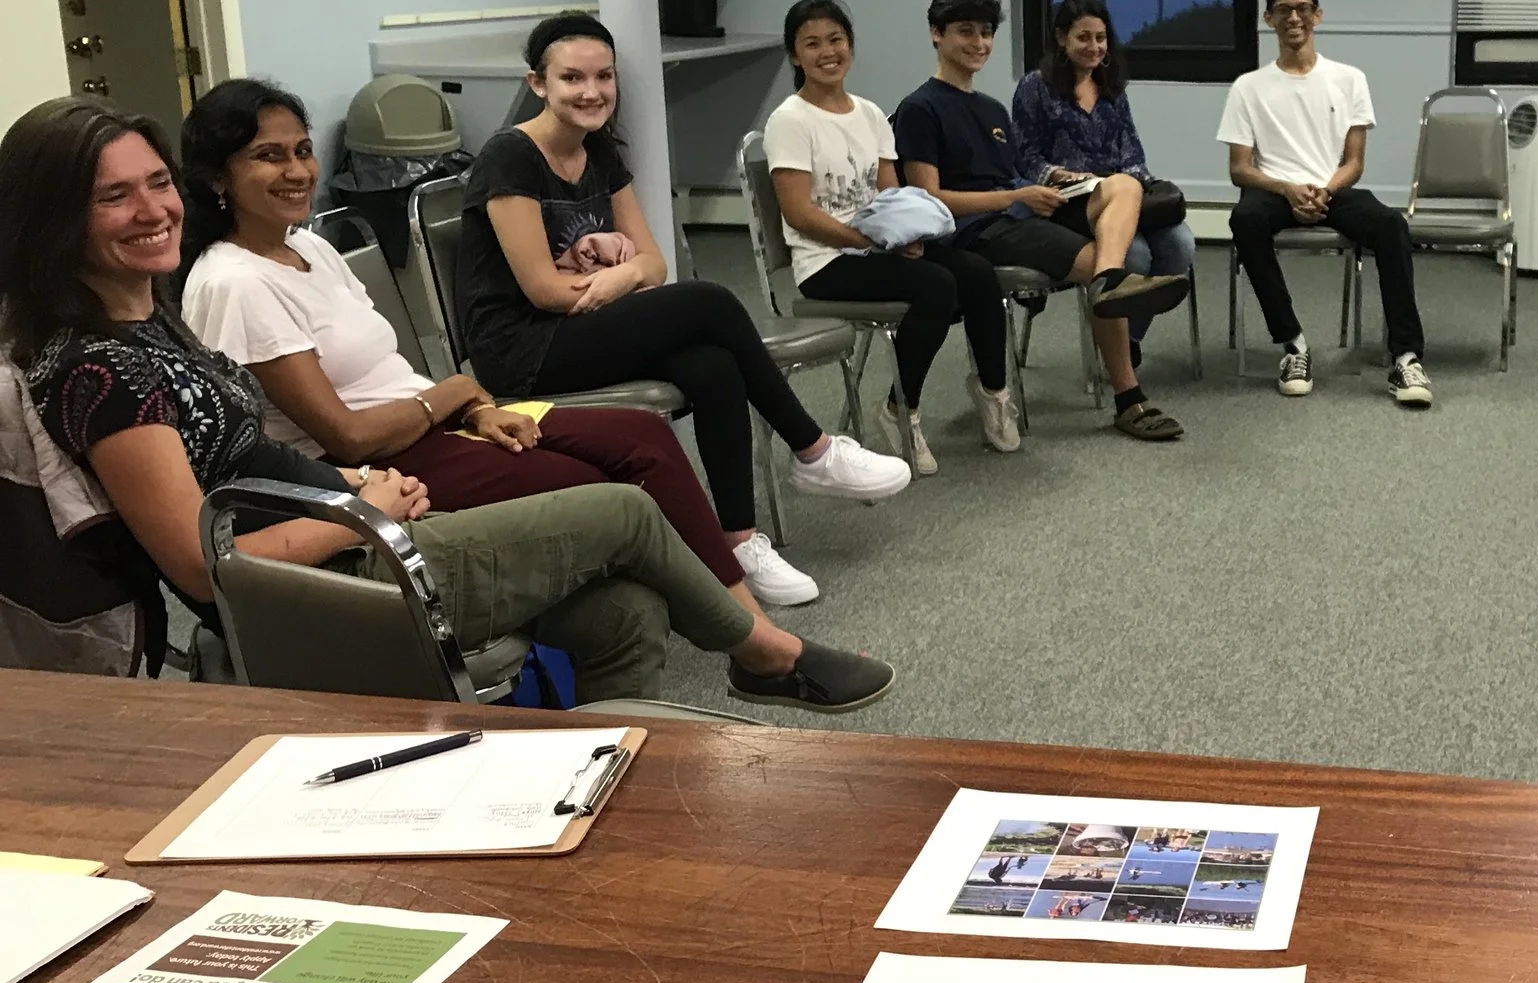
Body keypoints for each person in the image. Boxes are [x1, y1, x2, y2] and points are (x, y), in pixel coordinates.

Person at [0, 97, 893, 712]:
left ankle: (603, 808)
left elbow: (258, 455)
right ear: (52, 219)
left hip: (359, 517)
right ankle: (765, 655)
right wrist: (361, 506)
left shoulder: (151, 320)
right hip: (323, 586)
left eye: (155, 182)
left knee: (623, 611)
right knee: (623, 508)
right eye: (113, 196)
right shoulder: (102, 373)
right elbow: (203, 562)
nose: (152, 208)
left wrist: (360, 477)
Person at [176, 79, 823, 622]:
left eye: (302, 150)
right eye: (268, 156)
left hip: (440, 416)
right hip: (383, 461)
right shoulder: (235, 282)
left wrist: (477, 410)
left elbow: (391, 373)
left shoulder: (309, 246)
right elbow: (345, 435)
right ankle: (747, 621)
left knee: (643, 437)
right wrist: (458, 396)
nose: (296, 171)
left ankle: (740, 612)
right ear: (215, 178)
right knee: (600, 485)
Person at [457, 12, 909, 571]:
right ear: (538, 84)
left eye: (604, 77)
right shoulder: (511, 156)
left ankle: (738, 545)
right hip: (522, 348)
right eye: (572, 78)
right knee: (710, 301)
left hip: (583, 324)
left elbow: (653, 261)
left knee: (713, 366)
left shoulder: (599, 151)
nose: (592, 92)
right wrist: (625, 275)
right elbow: (546, 290)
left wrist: (621, 274)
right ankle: (812, 450)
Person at [894, 0, 1187, 443]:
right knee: (1100, 266)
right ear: (936, 34)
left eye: (986, 33)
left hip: (1019, 213)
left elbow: (1012, 172)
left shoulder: (989, 108)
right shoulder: (919, 107)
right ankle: (1129, 397)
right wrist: (1019, 196)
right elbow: (927, 198)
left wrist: (1032, 192)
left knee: (1125, 186)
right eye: (965, 32)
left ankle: (1113, 285)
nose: (978, 43)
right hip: (975, 231)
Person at [766, 0, 1018, 475]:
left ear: (851, 46)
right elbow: (798, 213)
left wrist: (909, 232)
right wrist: (869, 243)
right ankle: (902, 410)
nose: (827, 52)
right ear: (795, 54)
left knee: (976, 273)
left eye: (836, 40)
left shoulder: (868, 113)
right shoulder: (790, 120)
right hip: (827, 262)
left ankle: (994, 393)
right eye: (812, 44)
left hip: (877, 248)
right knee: (937, 285)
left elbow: (891, 195)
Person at [1219, 0, 1432, 407]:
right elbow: (1240, 170)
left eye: (1302, 9)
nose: (1293, 18)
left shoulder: (1349, 79)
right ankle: (1293, 345)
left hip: (1332, 189)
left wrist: (1322, 191)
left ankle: (1406, 358)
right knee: (1244, 219)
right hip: (1275, 190)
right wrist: (1289, 189)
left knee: (1391, 225)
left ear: (1318, 15)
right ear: (1267, 18)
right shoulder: (1248, 87)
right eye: (1283, 11)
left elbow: (1353, 162)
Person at [1009, 0, 1196, 373]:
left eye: (1101, 37)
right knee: (1137, 257)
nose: (1094, 47)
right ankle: (1118, 354)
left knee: (1180, 245)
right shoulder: (1035, 88)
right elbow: (1024, 156)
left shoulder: (1112, 88)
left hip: (1120, 194)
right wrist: (1057, 174)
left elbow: (1133, 153)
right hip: (1069, 202)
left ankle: (1128, 341)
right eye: (1084, 37)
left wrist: (1129, 181)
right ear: (1062, 39)